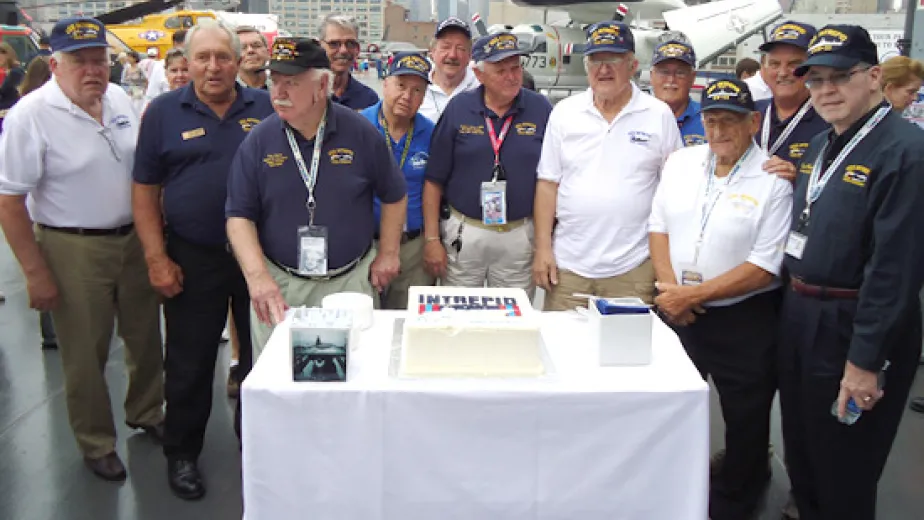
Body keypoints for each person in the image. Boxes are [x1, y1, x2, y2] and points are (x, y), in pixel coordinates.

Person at [0, 17, 164, 482]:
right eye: (79, 61)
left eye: (99, 59)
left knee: (145, 335)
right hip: (73, 246)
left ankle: (148, 411)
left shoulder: (117, 98)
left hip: (132, 239)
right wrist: (35, 272)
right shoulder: (30, 115)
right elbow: (10, 201)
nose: (92, 69)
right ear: (54, 64)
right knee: (85, 353)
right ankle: (96, 441)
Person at [780, 25, 924, 520]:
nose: (826, 90)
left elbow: (895, 270)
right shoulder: (824, 143)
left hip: (852, 325)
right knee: (802, 456)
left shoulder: (905, 152)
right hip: (802, 316)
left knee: (845, 468)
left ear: (875, 77)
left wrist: (865, 360)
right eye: (816, 80)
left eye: (840, 76)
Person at [133, 19, 273, 500]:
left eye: (223, 57)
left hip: (259, 257)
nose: (213, 67)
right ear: (187, 62)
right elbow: (145, 190)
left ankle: (256, 445)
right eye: (202, 57)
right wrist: (156, 258)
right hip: (193, 257)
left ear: (239, 60)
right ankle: (183, 454)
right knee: (189, 363)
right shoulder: (163, 113)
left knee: (261, 358)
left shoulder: (268, 106)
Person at [649, 77, 792, 520]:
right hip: (679, 311)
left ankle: (737, 498)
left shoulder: (773, 179)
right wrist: (674, 291)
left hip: (743, 318)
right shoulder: (681, 163)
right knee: (669, 404)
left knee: (745, 416)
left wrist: (695, 293)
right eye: (710, 121)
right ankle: (668, 484)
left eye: (729, 122)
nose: (718, 132)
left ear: (753, 122)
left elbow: (764, 264)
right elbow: (659, 229)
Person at [226, 38, 406, 358]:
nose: (278, 93)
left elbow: (394, 194)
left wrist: (389, 253)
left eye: (291, 83)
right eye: (275, 82)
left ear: (323, 84)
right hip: (281, 285)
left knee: (354, 375)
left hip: (349, 283)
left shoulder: (360, 133)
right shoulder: (258, 141)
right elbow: (239, 216)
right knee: (280, 382)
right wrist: (258, 279)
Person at [533, 21, 681, 310]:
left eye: (613, 60)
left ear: (632, 65)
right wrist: (543, 249)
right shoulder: (565, 113)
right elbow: (547, 184)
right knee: (564, 351)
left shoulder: (658, 115)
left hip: (633, 268)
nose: (603, 70)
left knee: (627, 353)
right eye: (595, 61)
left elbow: (674, 190)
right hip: (568, 269)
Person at [423, 32, 552, 294]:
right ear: (479, 75)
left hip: (518, 234)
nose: (512, 76)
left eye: (515, 68)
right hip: (466, 231)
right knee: (458, 315)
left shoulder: (541, 109)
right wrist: (432, 239)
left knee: (514, 317)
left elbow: (550, 181)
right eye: (501, 70)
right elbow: (434, 180)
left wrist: (543, 244)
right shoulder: (459, 108)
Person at [360, 52, 436, 309]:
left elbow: (435, 189)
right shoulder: (358, 126)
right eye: (401, 85)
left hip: (412, 248)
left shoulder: (431, 133)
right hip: (365, 245)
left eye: (417, 90)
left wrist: (431, 241)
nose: (407, 96)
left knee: (409, 322)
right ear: (385, 83)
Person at [754, 22, 829, 173]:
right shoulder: (748, 113)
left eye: (794, 64)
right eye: (774, 64)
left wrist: (799, 180)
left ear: (813, 68)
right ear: (763, 69)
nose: (782, 72)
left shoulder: (830, 119)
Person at [419, 17, 480, 123]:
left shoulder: (481, 88)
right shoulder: (418, 86)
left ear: (470, 55)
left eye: (460, 48)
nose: (452, 55)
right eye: (445, 47)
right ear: (432, 52)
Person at [649, 39, 704, 146]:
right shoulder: (635, 117)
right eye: (664, 72)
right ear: (651, 76)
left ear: (692, 78)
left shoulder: (708, 120)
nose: (671, 80)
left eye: (680, 73)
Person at [318, 14, 378, 110]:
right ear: (320, 47)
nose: (343, 50)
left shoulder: (369, 99)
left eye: (350, 43)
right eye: (334, 44)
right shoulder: (306, 96)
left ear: (357, 49)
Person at [145, 29, 187, 104]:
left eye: (185, 70)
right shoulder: (159, 66)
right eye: (174, 70)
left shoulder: (195, 64)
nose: (180, 75)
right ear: (175, 44)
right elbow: (151, 96)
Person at [236, 25, 271, 89]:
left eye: (256, 45)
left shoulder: (281, 88)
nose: (250, 50)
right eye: (243, 47)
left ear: (268, 53)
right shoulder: (226, 92)